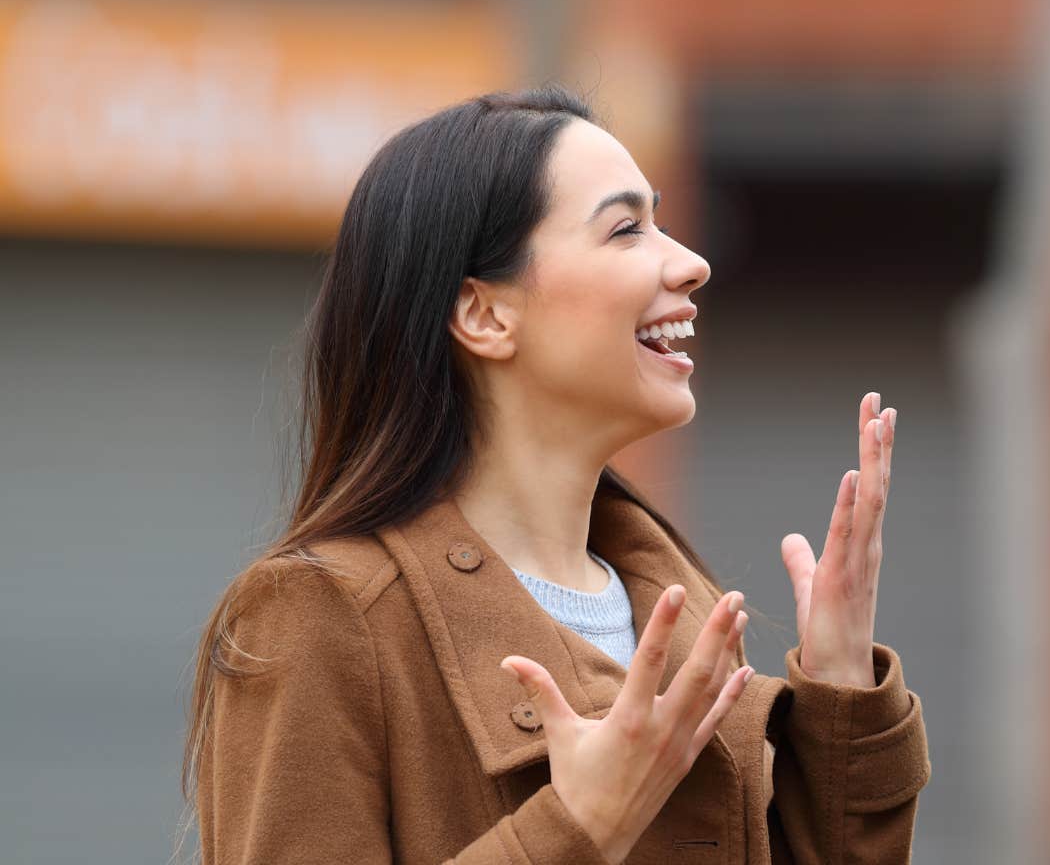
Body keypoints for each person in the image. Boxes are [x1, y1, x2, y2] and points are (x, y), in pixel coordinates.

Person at [182, 87, 929, 864]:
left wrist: (841, 695)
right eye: (626, 228)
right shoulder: (320, 618)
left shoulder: (689, 624)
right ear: (484, 315)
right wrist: (578, 831)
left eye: (662, 222)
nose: (691, 261)